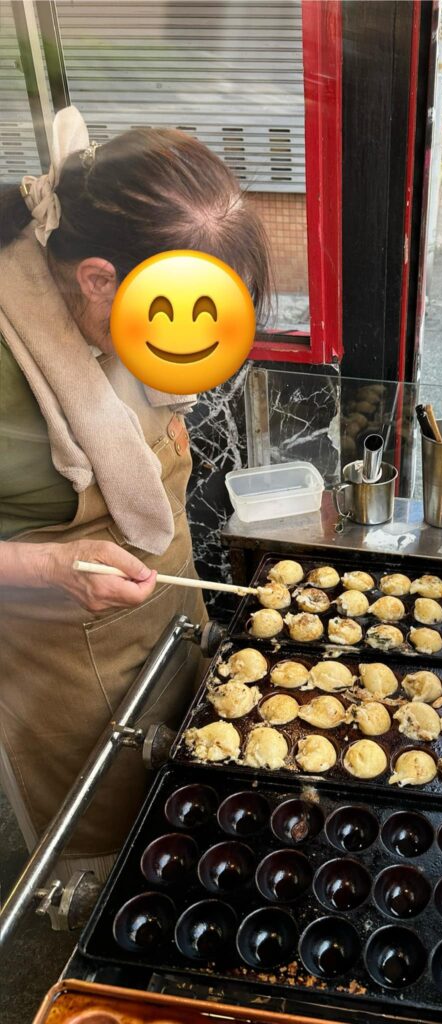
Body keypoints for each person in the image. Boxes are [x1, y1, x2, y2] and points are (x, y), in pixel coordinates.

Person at [0, 107, 271, 879]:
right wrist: (46, 569)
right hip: (65, 672)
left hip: (169, 623)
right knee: (122, 862)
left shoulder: (122, 304)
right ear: (98, 279)